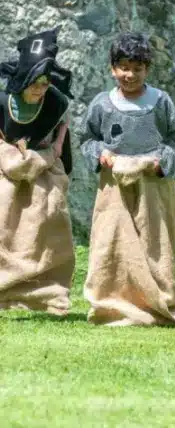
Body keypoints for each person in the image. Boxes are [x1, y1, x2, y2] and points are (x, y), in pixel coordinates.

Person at [80, 31, 175, 327]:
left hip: (153, 185)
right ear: (112, 68)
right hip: (114, 186)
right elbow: (87, 139)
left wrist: (159, 164)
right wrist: (100, 155)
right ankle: (113, 302)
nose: (129, 75)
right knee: (112, 241)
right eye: (123, 68)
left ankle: (159, 300)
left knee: (154, 242)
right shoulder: (102, 104)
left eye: (137, 69)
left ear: (147, 70)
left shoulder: (160, 102)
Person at [0, 26, 75, 315]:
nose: (39, 89)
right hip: (6, 172)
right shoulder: (2, 99)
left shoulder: (55, 103)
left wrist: (60, 165)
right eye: (34, 81)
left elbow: (62, 141)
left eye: (45, 83)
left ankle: (43, 293)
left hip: (42, 172)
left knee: (46, 225)